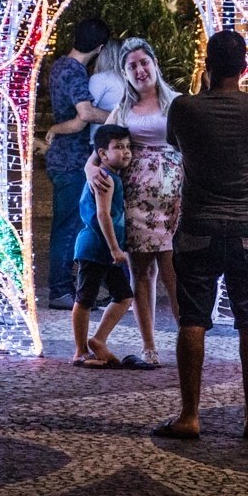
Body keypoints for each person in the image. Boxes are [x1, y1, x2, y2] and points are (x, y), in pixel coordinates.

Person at [153, 29, 248, 440]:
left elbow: (177, 144)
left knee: (193, 320)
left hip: (199, 227)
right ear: (244, 67)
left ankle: (190, 416)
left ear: (206, 66)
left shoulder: (185, 109)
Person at [86, 37, 182, 367]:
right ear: (125, 74)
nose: (140, 70)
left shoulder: (177, 105)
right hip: (136, 201)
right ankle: (149, 346)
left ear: (154, 64)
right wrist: (92, 174)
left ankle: (188, 339)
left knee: (174, 272)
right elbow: (96, 154)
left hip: (172, 202)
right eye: (132, 66)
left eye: (144, 63)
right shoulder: (122, 109)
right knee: (141, 273)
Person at [44, 17, 112, 310]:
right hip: (71, 159)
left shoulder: (59, 66)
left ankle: (66, 287)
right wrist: (116, 116)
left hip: (61, 157)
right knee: (68, 226)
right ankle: (60, 290)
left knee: (69, 224)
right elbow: (84, 114)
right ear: (99, 47)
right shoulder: (75, 71)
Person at [70, 125, 149, 369]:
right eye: (118, 147)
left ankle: (98, 339)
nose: (125, 152)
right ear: (102, 154)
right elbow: (103, 215)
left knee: (124, 296)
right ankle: (80, 350)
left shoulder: (112, 176)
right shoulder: (104, 178)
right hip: (95, 247)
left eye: (127, 147)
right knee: (85, 298)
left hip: (105, 249)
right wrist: (116, 248)